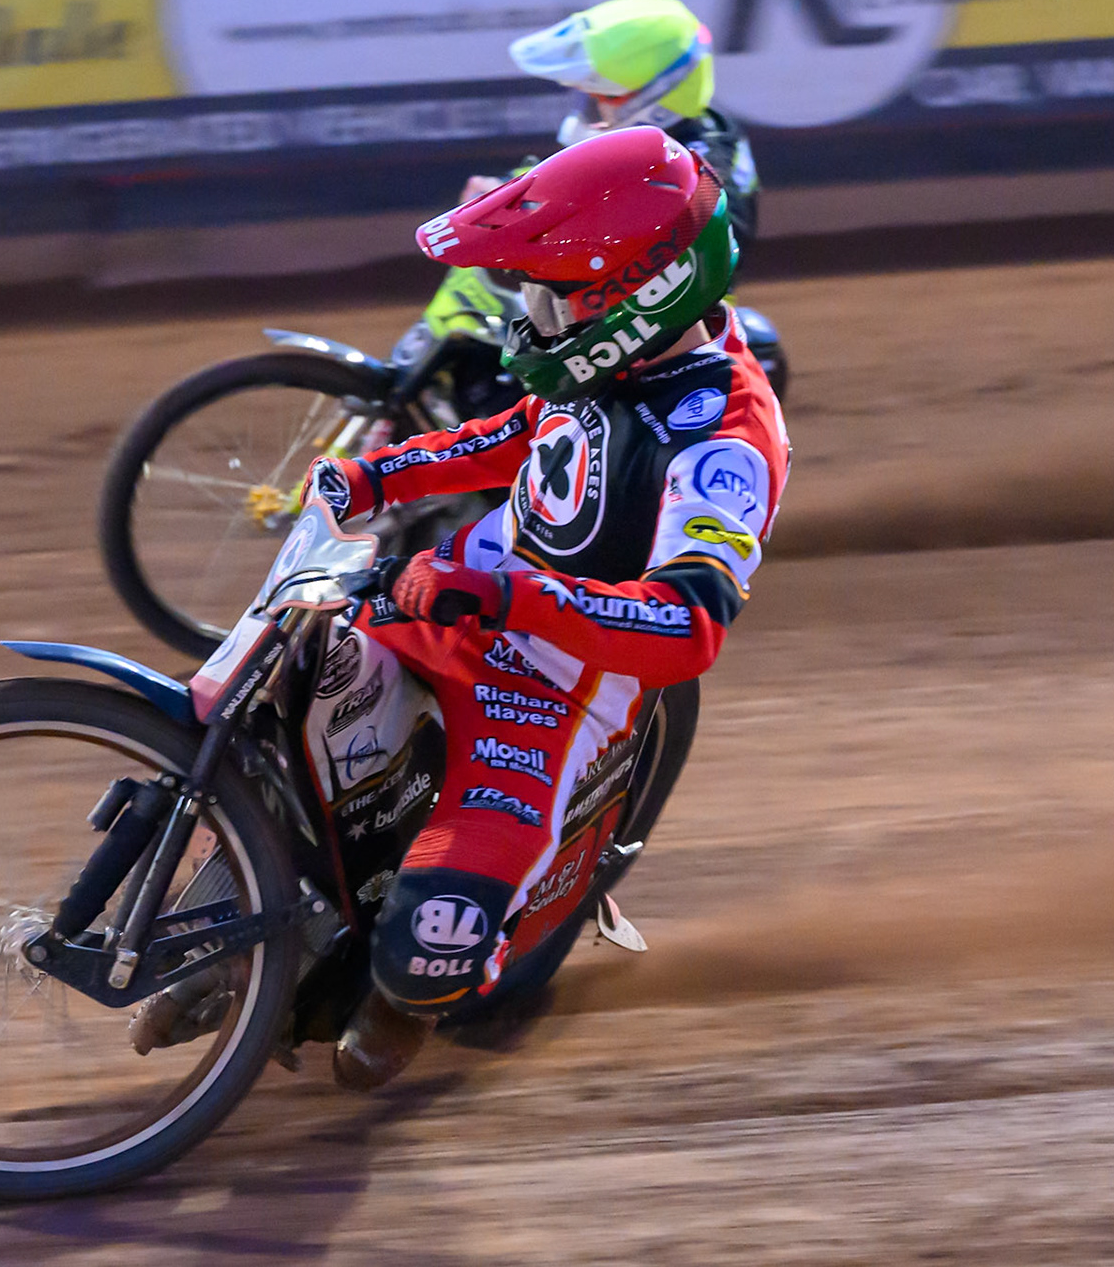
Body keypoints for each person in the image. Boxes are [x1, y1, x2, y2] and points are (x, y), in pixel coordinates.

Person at [305, 125, 789, 1090]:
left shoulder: (725, 441)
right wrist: (369, 480)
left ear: (636, 295)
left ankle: (414, 994)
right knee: (279, 698)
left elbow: (688, 628)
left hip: (556, 689)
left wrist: (507, 594)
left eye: (544, 295)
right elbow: (523, 432)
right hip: (449, 601)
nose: (524, 319)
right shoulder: (608, 362)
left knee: (424, 953)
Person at [464, 0, 761, 255]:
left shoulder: (701, 169)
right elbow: (572, 180)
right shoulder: (651, 145)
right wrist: (502, 194)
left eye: (604, 95)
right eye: (587, 95)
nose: (593, 105)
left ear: (655, 100)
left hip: (669, 307)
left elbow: (702, 251)